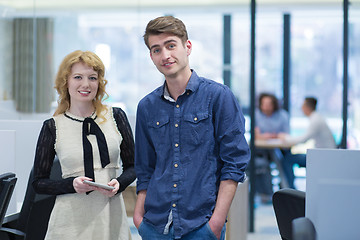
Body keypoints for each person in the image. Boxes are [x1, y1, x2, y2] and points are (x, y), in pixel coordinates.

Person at [133, 16, 250, 240]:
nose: (165, 55)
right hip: (155, 226)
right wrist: (139, 218)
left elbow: (234, 163)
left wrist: (216, 222)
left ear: (187, 47)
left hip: (201, 225)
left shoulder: (218, 96)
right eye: (156, 50)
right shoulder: (146, 106)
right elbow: (145, 168)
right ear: (151, 56)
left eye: (171, 45)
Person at [32, 50, 136, 240]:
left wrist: (119, 183)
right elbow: (38, 183)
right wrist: (72, 184)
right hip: (69, 223)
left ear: (99, 82)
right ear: (66, 82)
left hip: (111, 217)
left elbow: (135, 166)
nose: (86, 84)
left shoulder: (116, 117)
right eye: (78, 77)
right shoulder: (53, 126)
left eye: (92, 78)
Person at [279, 97, 337, 188]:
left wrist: (285, 138)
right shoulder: (317, 117)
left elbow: (303, 139)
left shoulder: (316, 120)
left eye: (302, 106)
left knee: (287, 160)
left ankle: (291, 189)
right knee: (288, 158)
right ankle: (290, 188)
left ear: (307, 107)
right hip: (322, 155)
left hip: (322, 158)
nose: (301, 108)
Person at [254, 93, 290, 202]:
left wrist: (266, 136)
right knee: (260, 163)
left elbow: (285, 135)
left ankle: (286, 189)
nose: (266, 107)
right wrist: (271, 135)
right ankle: (264, 193)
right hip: (260, 149)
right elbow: (256, 134)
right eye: (264, 104)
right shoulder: (256, 115)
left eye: (269, 104)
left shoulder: (282, 115)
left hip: (279, 149)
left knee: (280, 160)